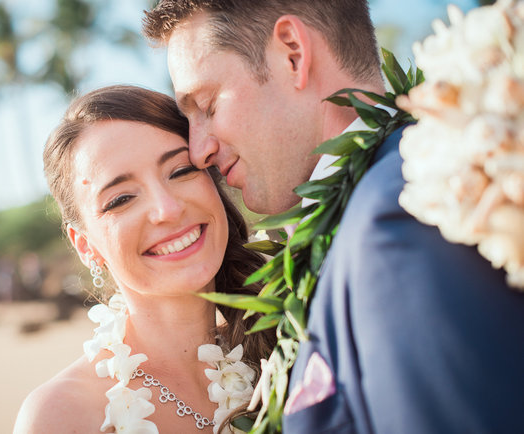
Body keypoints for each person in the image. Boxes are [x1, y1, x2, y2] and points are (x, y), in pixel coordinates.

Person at [143, 1, 524, 433]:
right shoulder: (369, 209)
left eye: (208, 105)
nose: (199, 151)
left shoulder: (397, 220)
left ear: (293, 54)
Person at [13, 85, 275, 433]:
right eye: (121, 199)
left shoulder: (287, 338)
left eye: (180, 171)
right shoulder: (62, 416)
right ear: (85, 245)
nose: (167, 209)